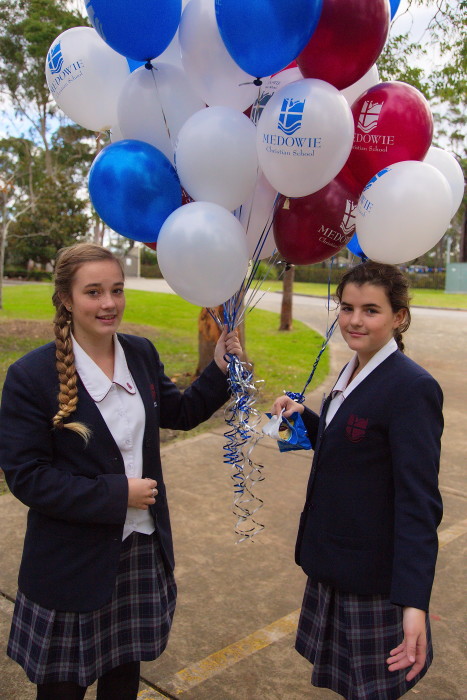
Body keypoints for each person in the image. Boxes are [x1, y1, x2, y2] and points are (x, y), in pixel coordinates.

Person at [0, 242, 242, 700]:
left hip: (140, 551)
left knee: (122, 682)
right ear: (66, 299)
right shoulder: (30, 376)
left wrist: (218, 370)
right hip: (71, 565)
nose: (109, 303)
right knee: (62, 690)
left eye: (116, 289)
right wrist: (117, 495)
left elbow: (180, 412)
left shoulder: (140, 353)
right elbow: (27, 477)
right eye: (93, 292)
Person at [271, 261, 443, 700]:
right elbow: (352, 442)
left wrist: (414, 602)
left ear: (399, 316)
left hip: (372, 578)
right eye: (347, 308)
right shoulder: (353, 369)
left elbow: (418, 503)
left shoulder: (412, 388)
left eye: (371, 310)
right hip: (335, 561)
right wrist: (303, 418)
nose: (354, 320)